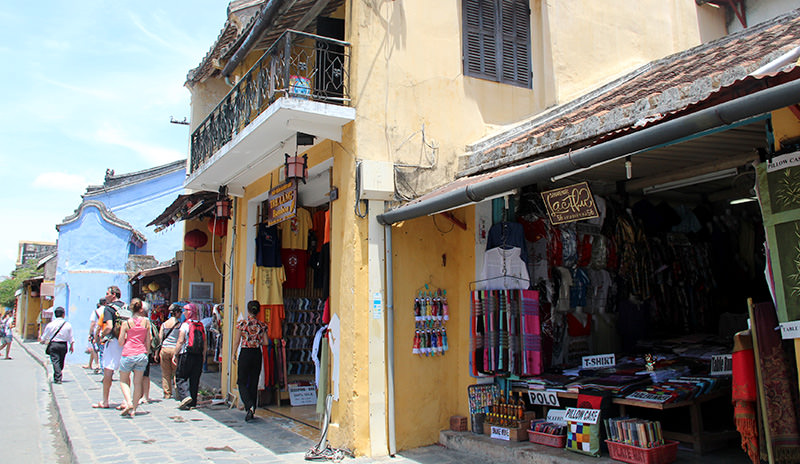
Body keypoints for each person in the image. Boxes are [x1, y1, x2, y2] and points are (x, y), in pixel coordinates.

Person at [232, 300, 268, 422]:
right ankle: (252, 409)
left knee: (241, 381)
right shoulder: (262, 325)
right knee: (253, 381)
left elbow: (237, 341)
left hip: (245, 352)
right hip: (257, 353)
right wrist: (257, 341)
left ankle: (249, 405)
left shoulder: (242, 324)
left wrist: (233, 353)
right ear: (258, 311)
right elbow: (266, 342)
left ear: (248, 310)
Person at [92, 285, 127, 409]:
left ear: (113, 295)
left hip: (112, 342)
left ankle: (105, 400)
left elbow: (109, 326)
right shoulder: (125, 306)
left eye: (107, 293)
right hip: (124, 341)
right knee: (125, 372)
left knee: (108, 372)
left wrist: (101, 335)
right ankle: (125, 400)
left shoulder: (108, 309)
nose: (106, 295)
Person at [117, 298, 150, 417]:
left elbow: (120, 342)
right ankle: (134, 410)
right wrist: (147, 353)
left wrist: (126, 337)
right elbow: (148, 340)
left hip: (128, 353)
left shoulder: (126, 323)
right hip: (141, 354)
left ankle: (129, 402)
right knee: (138, 382)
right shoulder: (146, 322)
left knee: (123, 380)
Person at [173, 303, 206, 410]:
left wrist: (175, 353)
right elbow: (204, 343)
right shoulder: (201, 325)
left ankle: (186, 396)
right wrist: (203, 356)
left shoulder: (185, 325)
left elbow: (181, 340)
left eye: (185, 311)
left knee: (180, 377)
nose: (184, 313)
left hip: (186, 354)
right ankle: (193, 402)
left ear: (189, 312)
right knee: (194, 379)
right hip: (198, 356)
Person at [39, 307, 74, 384]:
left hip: (54, 344)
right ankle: (58, 376)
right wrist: (71, 345)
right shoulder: (67, 325)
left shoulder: (50, 325)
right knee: (61, 361)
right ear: (63, 314)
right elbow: (71, 336)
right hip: (63, 345)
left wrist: (42, 340)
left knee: (56, 361)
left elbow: (45, 335)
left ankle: (57, 376)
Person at [159, 304, 182, 399]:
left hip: (165, 349)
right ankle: (177, 392)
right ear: (176, 313)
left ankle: (167, 393)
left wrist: (157, 352)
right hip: (175, 349)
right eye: (180, 312)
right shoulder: (179, 325)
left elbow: (160, 338)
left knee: (165, 373)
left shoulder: (164, 324)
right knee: (176, 372)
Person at [83, 299, 104, 372]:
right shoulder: (108, 310)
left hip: (97, 332)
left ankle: (97, 364)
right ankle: (90, 364)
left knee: (94, 348)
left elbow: (93, 323)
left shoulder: (96, 311)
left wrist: (90, 333)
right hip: (106, 332)